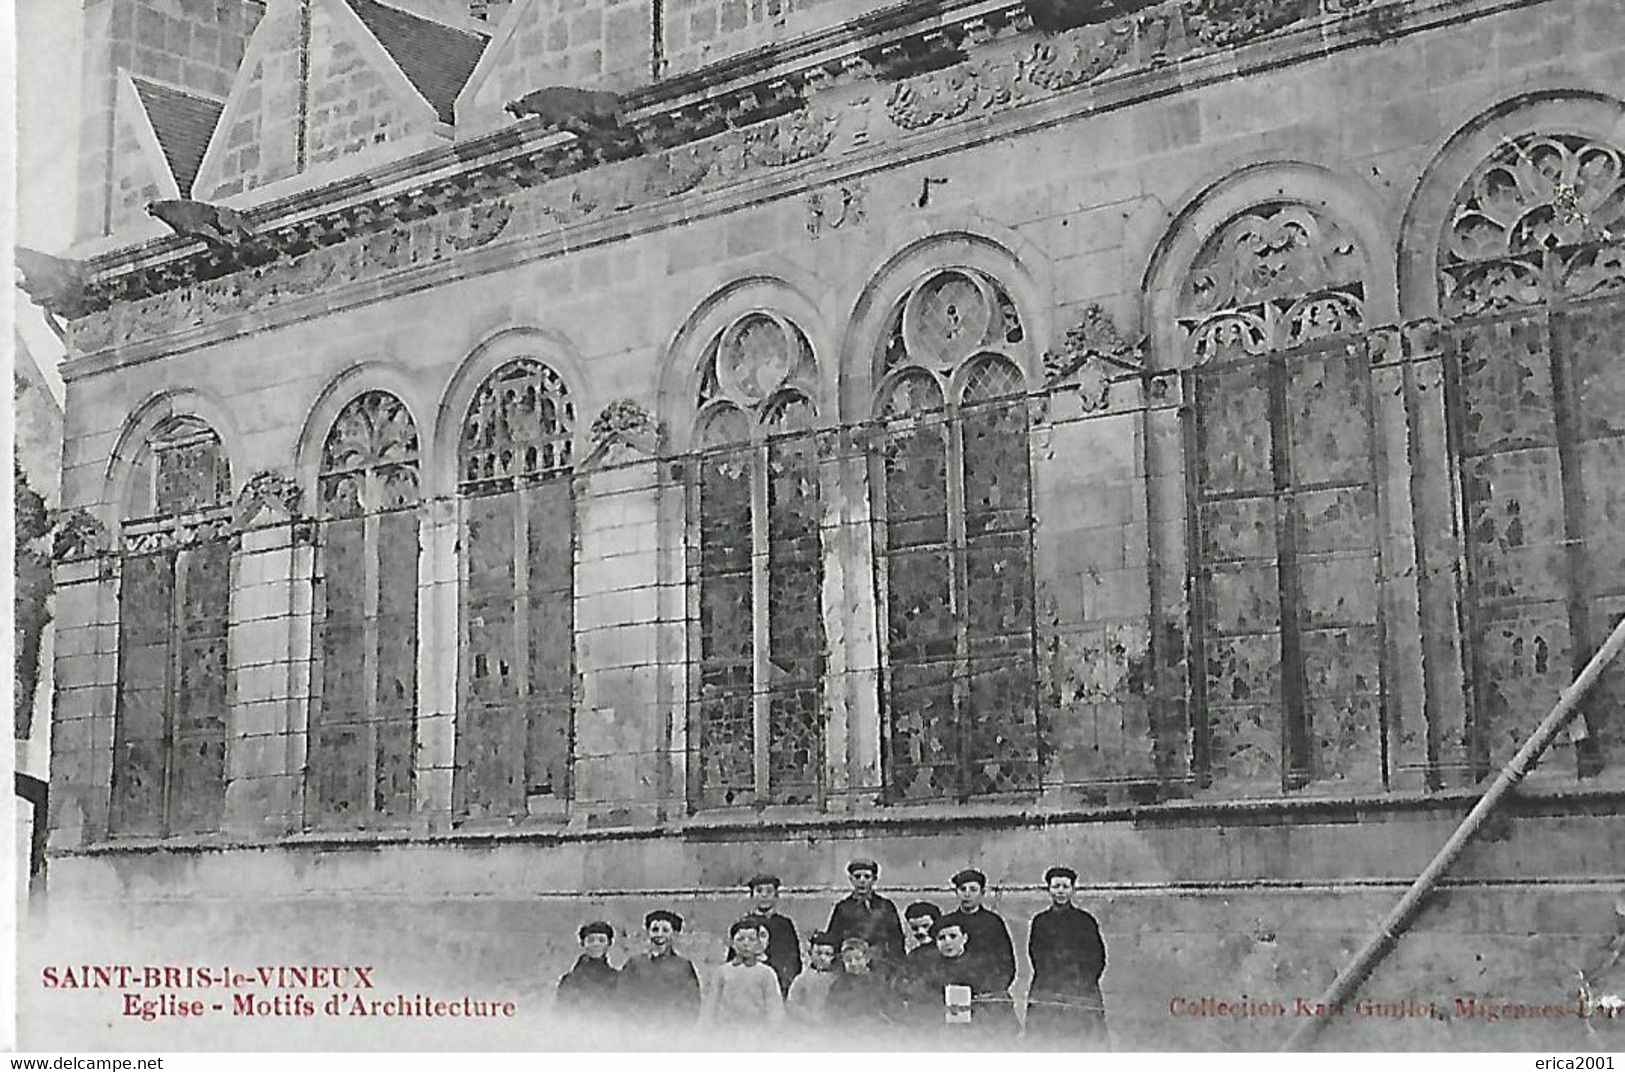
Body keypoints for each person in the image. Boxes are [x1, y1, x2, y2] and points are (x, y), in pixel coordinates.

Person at [1025, 865, 1108, 1046]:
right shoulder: (1040, 921)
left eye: (1065, 887)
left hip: (1080, 990)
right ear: (1049, 890)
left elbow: (1097, 958)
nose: (1060, 891)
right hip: (1048, 989)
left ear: (1073, 890)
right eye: (1056, 887)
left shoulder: (1085, 921)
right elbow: (1036, 955)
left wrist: (1081, 982)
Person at [937, 868, 1016, 999]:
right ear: (956, 892)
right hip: (956, 992)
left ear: (982, 892)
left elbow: (1006, 963)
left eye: (973, 890)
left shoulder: (993, 922)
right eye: (963, 889)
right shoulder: (947, 923)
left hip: (987, 993)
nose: (967, 894)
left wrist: (994, 989)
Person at [618, 909, 702, 1027]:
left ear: (674, 934)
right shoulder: (635, 963)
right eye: (655, 930)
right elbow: (623, 998)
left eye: (666, 930)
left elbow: (692, 1003)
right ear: (648, 932)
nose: (659, 935)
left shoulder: (683, 966)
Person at [826, 858, 906, 970]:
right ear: (851, 879)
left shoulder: (886, 906)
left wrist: (898, 966)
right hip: (852, 967)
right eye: (857, 877)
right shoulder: (843, 908)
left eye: (867, 877)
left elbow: (896, 940)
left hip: (882, 967)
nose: (862, 881)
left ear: (874, 879)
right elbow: (834, 939)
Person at [708, 917, 786, 1026]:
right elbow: (711, 1007)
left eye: (751, 939)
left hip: (756, 1035)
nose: (746, 944)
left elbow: (775, 1010)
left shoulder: (766, 973)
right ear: (731, 943)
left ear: (759, 943)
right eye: (740, 939)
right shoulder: (722, 972)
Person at [742, 873, 802, 997]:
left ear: (776, 895)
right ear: (752, 895)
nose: (764, 895)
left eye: (769, 891)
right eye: (759, 891)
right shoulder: (743, 925)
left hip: (778, 987)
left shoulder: (785, 925)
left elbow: (793, 960)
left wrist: (783, 983)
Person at [825, 937, 900, 1029]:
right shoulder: (838, 986)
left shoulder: (877, 982)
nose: (853, 963)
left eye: (858, 958)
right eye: (848, 960)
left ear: (867, 959)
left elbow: (889, 1009)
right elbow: (831, 1013)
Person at [555, 920, 619, 1016]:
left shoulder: (617, 979)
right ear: (582, 943)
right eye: (591, 940)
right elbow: (562, 1013)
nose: (596, 944)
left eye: (601, 940)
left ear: (609, 943)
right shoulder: (570, 980)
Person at [786, 931, 840, 1025]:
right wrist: (808, 1017)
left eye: (828, 954)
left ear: (834, 957)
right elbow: (791, 1004)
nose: (822, 958)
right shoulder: (802, 979)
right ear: (810, 953)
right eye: (818, 953)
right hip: (805, 1025)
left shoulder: (837, 979)